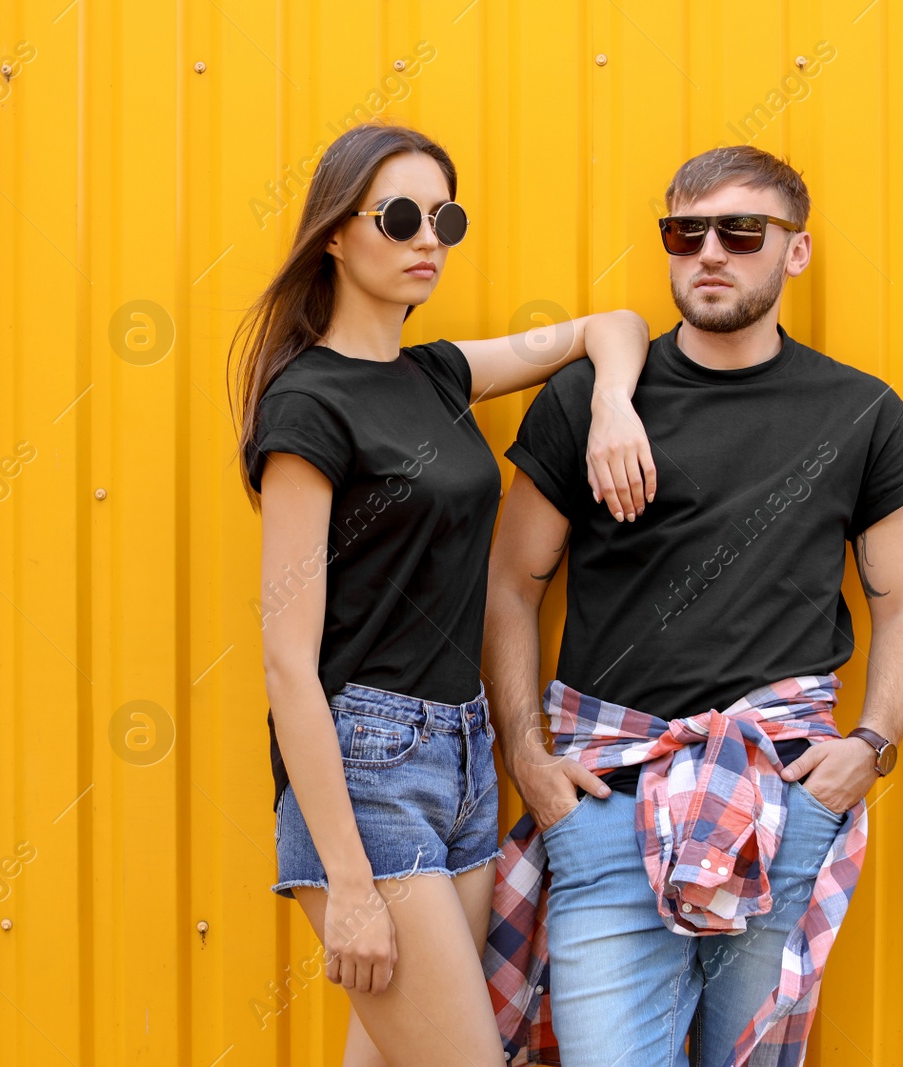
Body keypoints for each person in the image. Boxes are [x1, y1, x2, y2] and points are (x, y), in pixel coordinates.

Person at [482, 145, 903, 1066]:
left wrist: (871, 748)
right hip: (609, 792)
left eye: (741, 231)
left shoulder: (862, 411)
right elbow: (510, 584)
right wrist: (526, 755)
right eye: (685, 233)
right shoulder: (591, 399)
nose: (710, 253)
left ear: (795, 252)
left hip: (784, 796)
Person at [232, 122, 658, 1067]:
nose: (429, 238)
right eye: (399, 216)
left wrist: (615, 404)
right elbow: (286, 662)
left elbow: (611, 327)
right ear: (335, 235)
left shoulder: (438, 376)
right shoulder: (308, 406)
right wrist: (346, 879)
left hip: (462, 753)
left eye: (445, 217)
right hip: (366, 767)